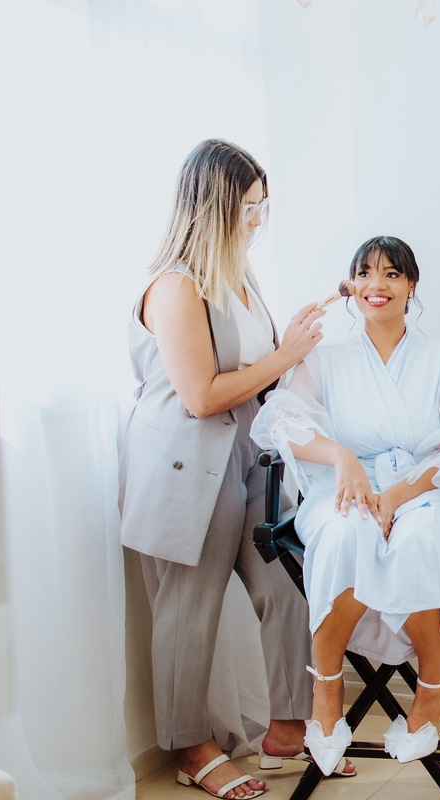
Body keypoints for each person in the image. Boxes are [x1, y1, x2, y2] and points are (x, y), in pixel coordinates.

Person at [118, 139, 351, 799]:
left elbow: (258, 373)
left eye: (263, 205)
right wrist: (286, 355)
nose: (258, 219)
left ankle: (285, 725)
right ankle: (192, 748)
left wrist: (295, 353)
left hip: (251, 457)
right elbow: (200, 394)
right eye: (248, 206)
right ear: (214, 206)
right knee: (188, 611)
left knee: (284, 586)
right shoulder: (173, 286)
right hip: (185, 468)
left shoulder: (239, 277)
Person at [250, 235, 440, 770]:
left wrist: (399, 496)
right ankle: (326, 695)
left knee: (420, 542)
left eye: (392, 274)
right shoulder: (324, 360)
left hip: (423, 489)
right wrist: (341, 459)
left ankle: (429, 695)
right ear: (350, 285)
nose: (377, 285)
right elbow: (283, 423)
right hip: (343, 487)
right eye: (365, 273)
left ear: (412, 285)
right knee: (344, 535)